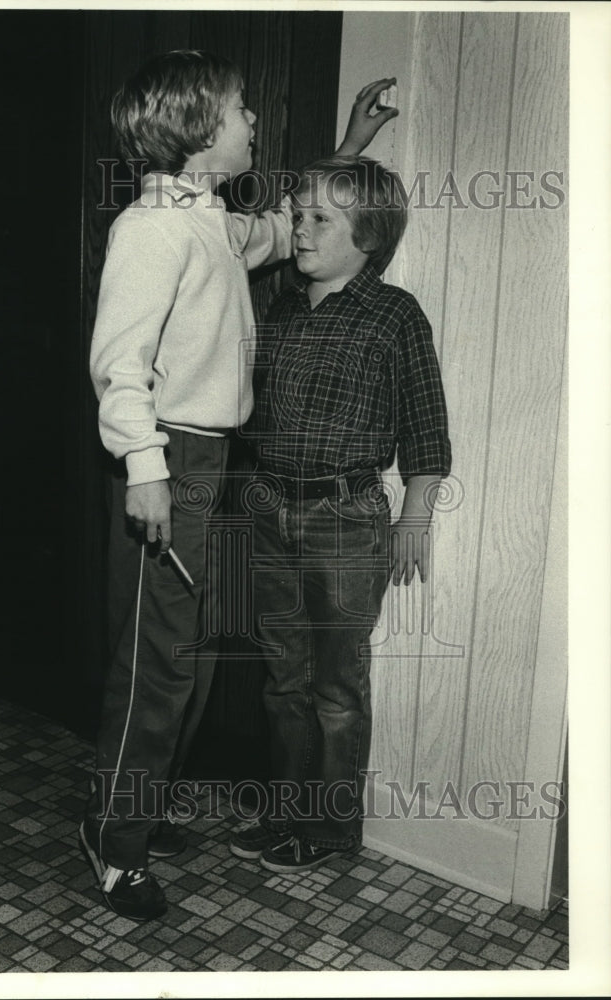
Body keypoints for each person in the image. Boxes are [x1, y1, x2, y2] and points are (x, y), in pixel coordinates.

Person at [82, 49, 398, 921]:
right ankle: (115, 846)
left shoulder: (211, 220)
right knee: (157, 667)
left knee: (185, 660)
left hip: (208, 462)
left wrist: (351, 140)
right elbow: (119, 362)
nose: (253, 121)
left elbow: (278, 230)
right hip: (171, 461)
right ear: (194, 130)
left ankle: (133, 810)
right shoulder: (151, 228)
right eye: (238, 108)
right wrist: (145, 471)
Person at [229, 156, 451, 873]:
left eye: (320, 218)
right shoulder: (284, 306)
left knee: (336, 688)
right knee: (283, 676)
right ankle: (285, 811)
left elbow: (426, 428)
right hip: (270, 508)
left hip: (346, 517)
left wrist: (414, 517)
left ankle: (329, 830)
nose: (300, 228)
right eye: (298, 216)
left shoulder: (396, 316)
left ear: (369, 233)